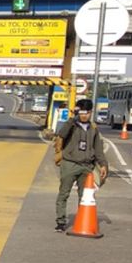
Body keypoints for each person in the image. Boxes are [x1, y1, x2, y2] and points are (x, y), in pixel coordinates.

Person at [54, 97, 108, 232]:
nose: (84, 115)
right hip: (69, 164)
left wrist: (103, 165)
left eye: (87, 112)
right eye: (81, 112)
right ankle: (60, 221)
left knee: (84, 195)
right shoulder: (71, 125)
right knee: (64, 193)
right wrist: (73, 118)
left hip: (86, 165)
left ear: (91, 112)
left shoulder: (94, 129)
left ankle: (82, 219)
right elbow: (61, 134)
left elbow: (98, 149)